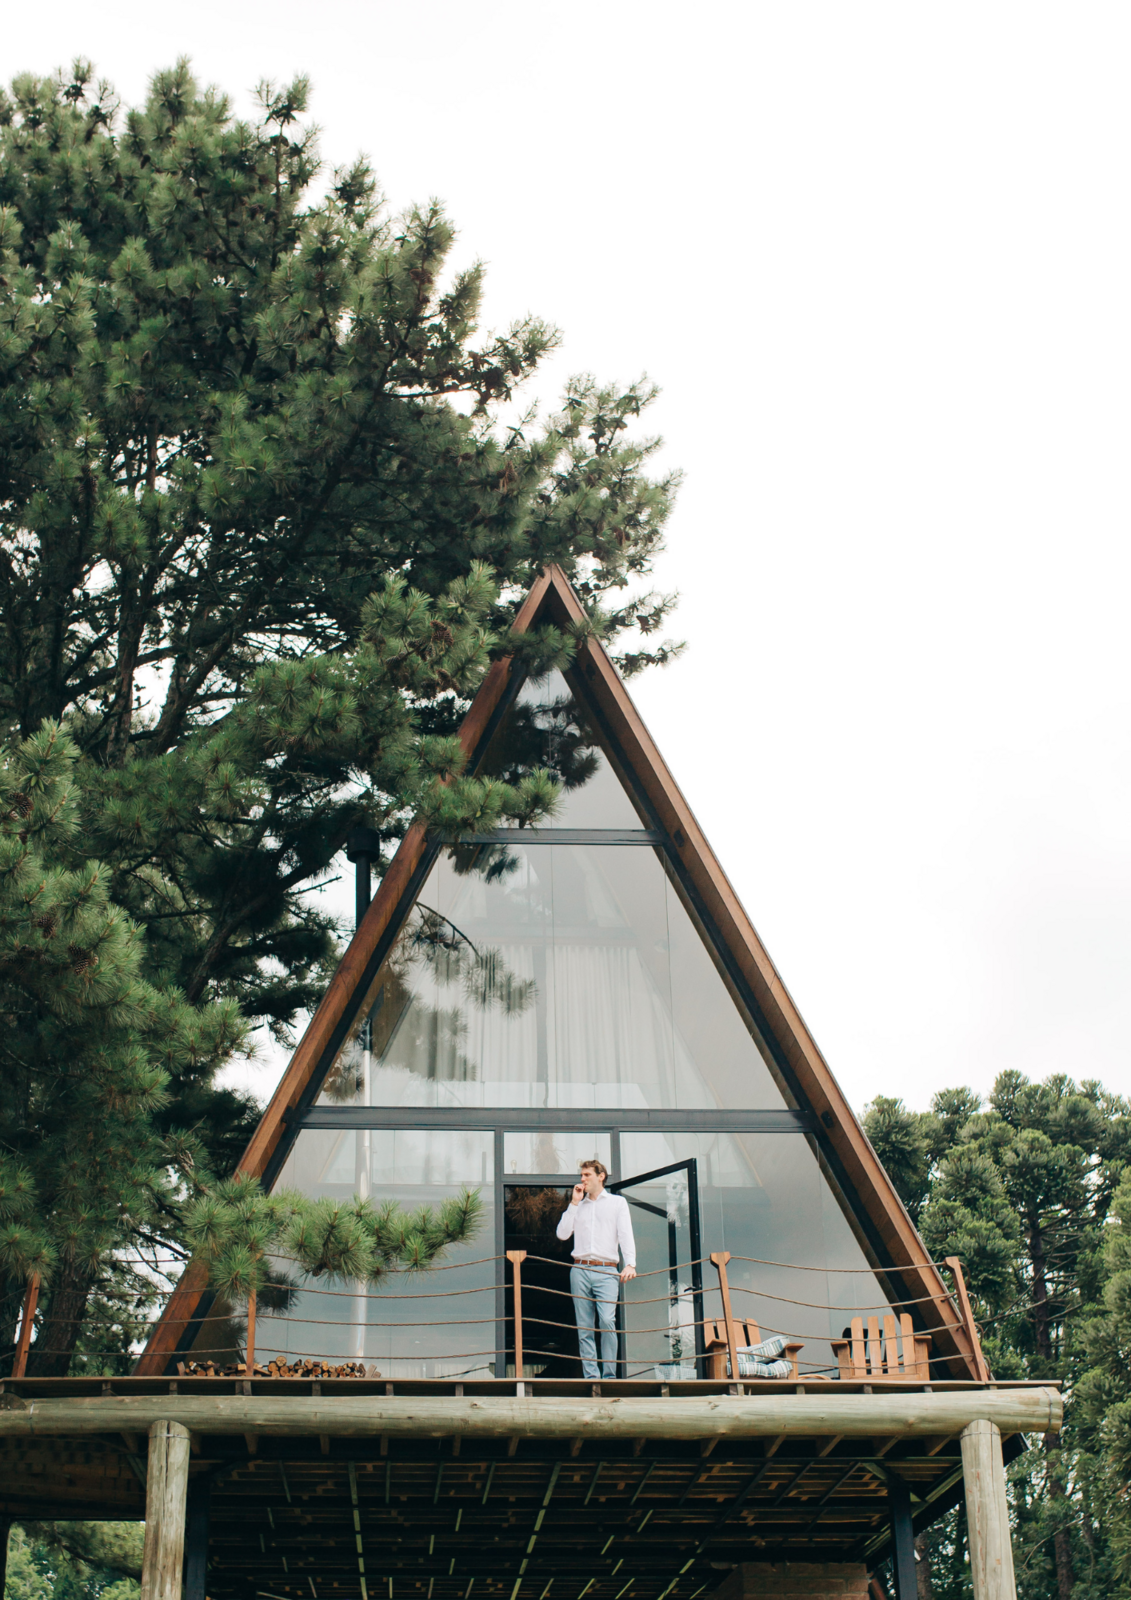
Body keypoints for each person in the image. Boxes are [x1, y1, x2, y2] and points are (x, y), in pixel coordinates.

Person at [556, 1159, 636, 1380]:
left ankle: (609, 1376)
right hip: (580, 1270)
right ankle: (592, 1376)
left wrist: (630, 1263)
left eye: (587, 1175)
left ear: (601, 1176)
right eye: (581, 1175)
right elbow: (562, 1234)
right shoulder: (578, 1206)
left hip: (607, 1270)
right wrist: (573, 1203)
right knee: (584, 1327)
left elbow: (625, 1234)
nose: (582, 1179)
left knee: (607, 1321)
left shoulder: (617, 1203)